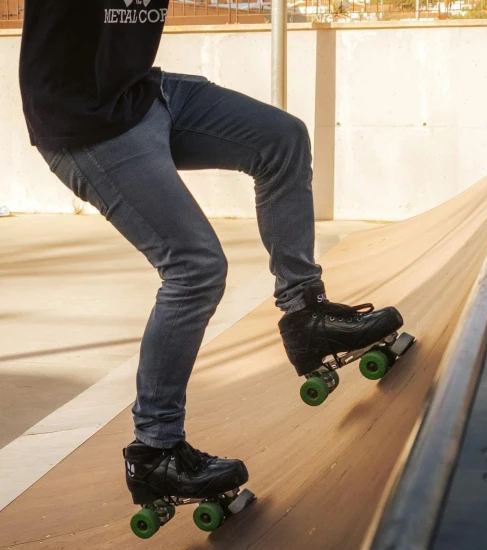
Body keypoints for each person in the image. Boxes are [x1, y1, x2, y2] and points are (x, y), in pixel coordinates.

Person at [19, 1, 403, 507]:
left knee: (281, 140)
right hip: (86, 127)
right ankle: (156, 449)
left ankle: (305, 315)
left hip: (144, 94)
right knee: (194, 269)